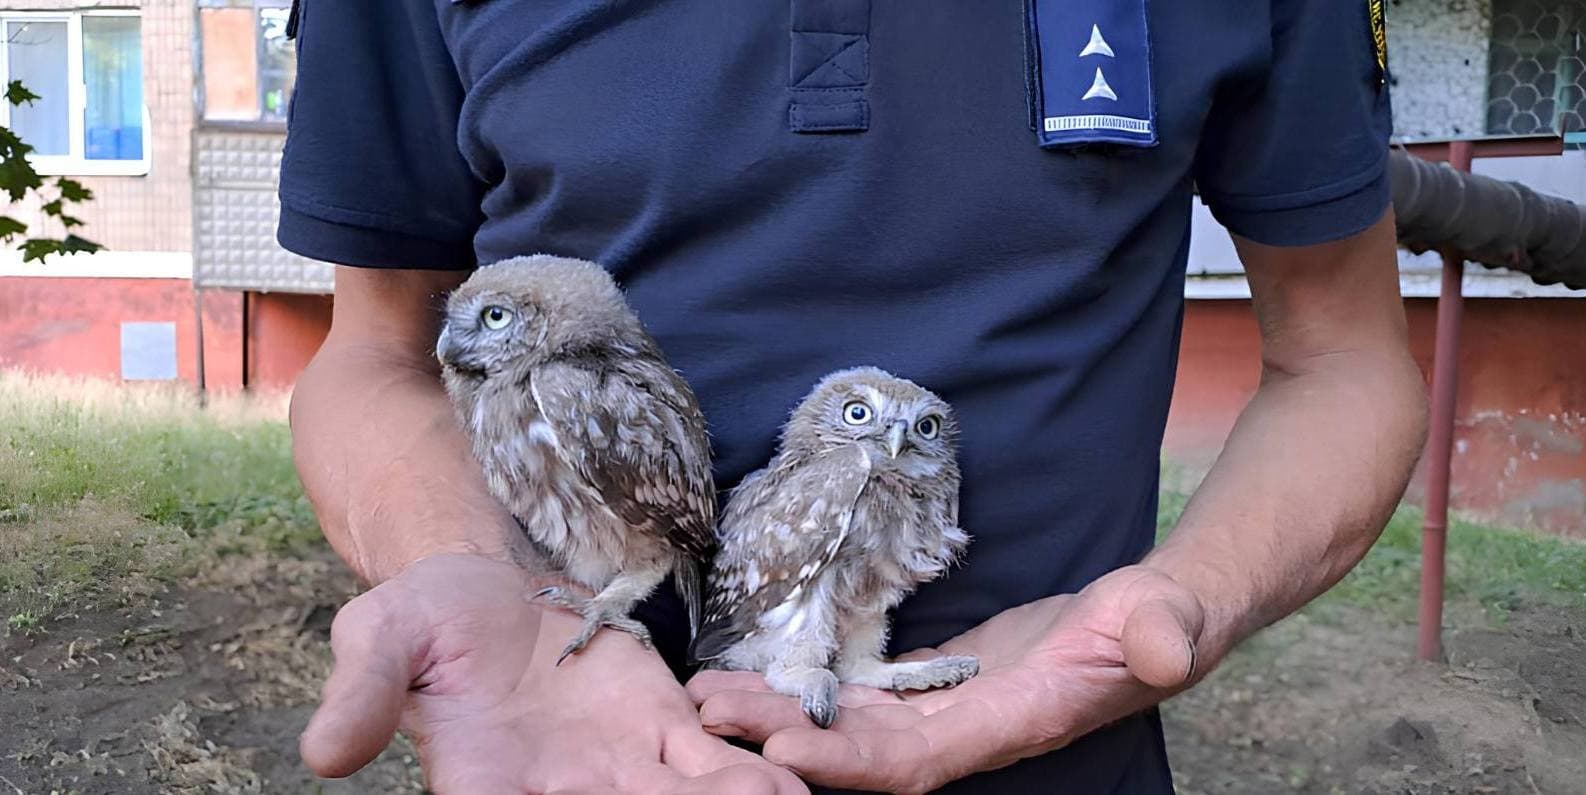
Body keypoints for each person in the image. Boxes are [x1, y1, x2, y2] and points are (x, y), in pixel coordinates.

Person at [277, 1, 1427, 793]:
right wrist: (470, 573)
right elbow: (377, 354)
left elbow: (1342, 360)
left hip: (1047, 744)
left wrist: (1190, 598)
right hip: (579, 746)